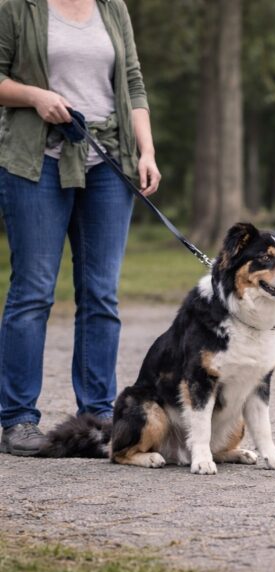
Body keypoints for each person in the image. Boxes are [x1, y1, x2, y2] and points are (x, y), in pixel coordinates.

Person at [0, 0, 160, 455]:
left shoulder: (112, 8)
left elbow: (132, 82)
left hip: (108, 163)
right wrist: (35, 95)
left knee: (101, 293)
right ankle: (17, 420)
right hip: (37, 162)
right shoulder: (17, 8)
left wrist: (145, 153)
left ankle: (97, 416)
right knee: (33, 291)